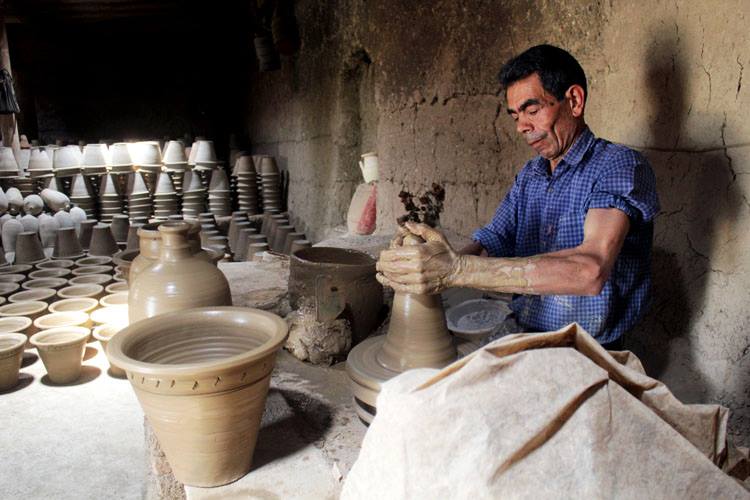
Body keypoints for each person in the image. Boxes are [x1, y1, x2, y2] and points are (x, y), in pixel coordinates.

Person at [376, 45, 660, 349]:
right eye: (515, 116)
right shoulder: (530, 176)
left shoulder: (618, 164)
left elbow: (590, 271)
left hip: (589, 347)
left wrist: (457, 270)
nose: (523, 126)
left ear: (574, 101)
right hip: (523, 327)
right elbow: (492, 240)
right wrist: (431, 262)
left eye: (533, 111)